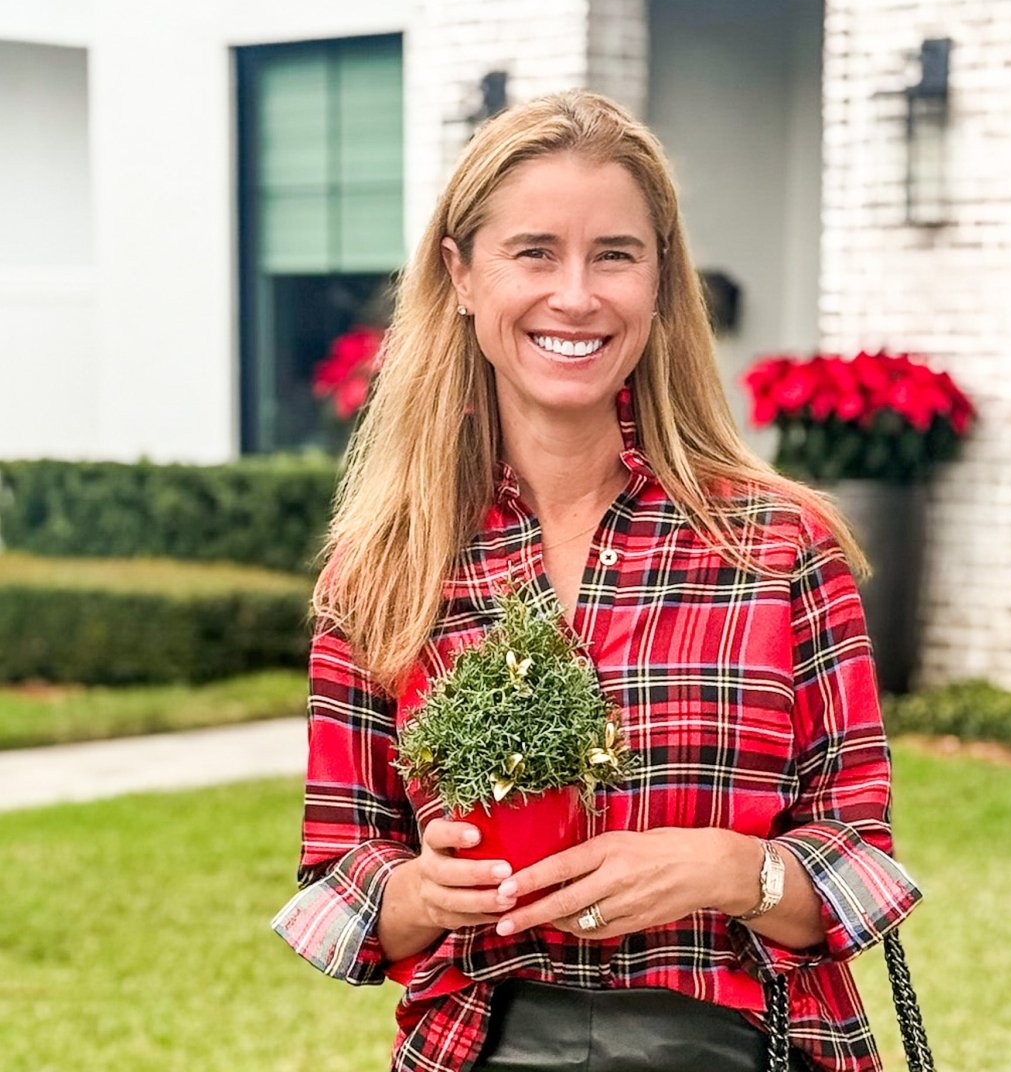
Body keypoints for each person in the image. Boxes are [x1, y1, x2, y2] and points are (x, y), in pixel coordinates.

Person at [272, 88, 921, 1072]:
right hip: (486, 1047)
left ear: (659, 284)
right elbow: (340, 880)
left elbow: (863, 861)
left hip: (742, 1047)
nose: (575, 295)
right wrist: (423, 894)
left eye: (614, 254)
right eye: (534, 251)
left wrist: (734, 871)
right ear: (461, 273)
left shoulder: (781, 549)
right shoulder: (385, 571)